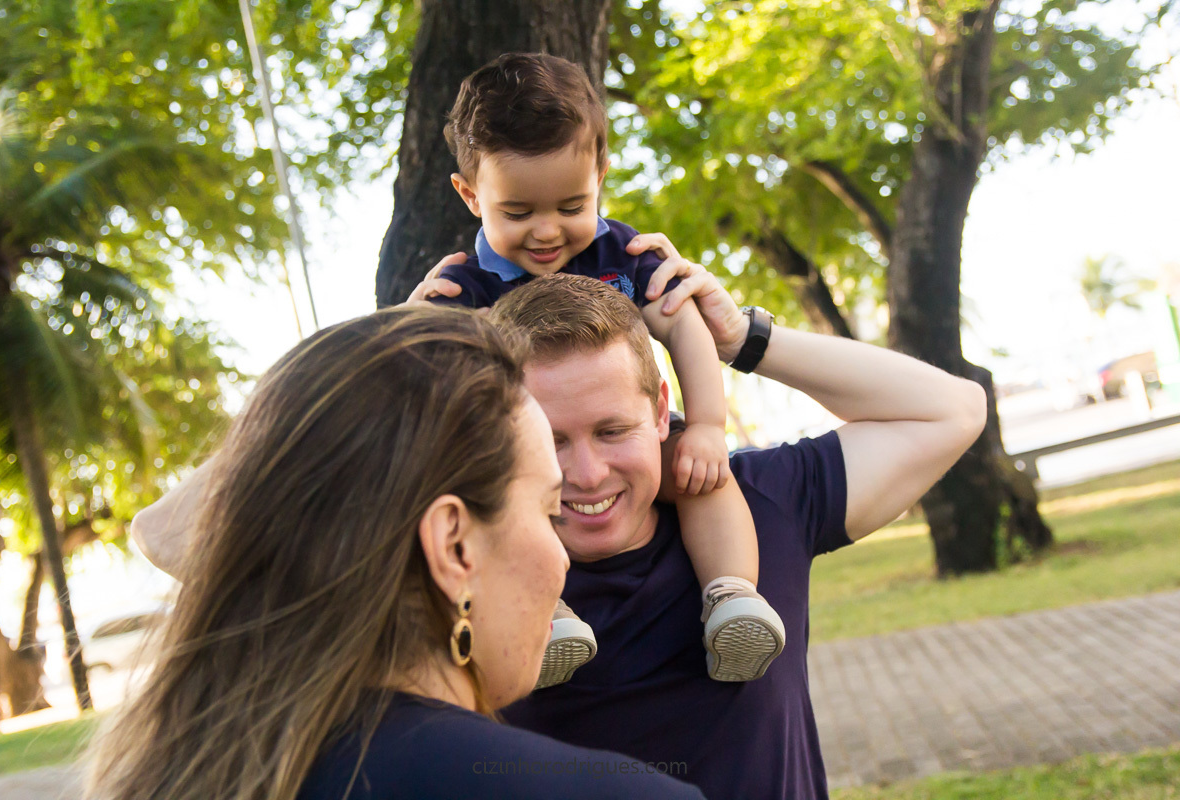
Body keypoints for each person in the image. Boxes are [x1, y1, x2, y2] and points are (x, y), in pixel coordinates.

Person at [84, 307, 704, 800]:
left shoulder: (203, 768)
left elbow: (175, 529)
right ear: (453, 545)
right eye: (546, 511)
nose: (562, 561)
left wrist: (391, 365)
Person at [462, 266, 984, 800]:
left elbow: (954, 410)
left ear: (661, 411)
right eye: (552, 441)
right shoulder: (456, 569)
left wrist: (742, 338)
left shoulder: (750, 501)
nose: (589, 473)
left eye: (612, 431)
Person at [425, 52, 784, 689]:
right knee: (491, 509)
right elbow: (420, 387)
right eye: (518, 213)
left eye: (571, 206)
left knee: (701, 474)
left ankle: (732, 597)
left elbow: (683, 325)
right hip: (511, 456)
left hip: (617, 435)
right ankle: (547, 616)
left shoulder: (623, 252)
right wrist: (410, 326)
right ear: (471, 195)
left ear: (600, 176)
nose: (547, 232)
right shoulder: (465, 289)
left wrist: (706, 425)